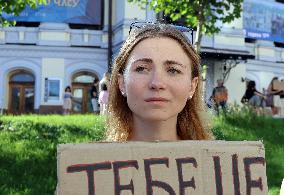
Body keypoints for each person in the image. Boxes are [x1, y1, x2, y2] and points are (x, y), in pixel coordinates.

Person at [106, 22, 212, 141]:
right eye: (141, 69)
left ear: (192, 86)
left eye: (173, 70)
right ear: (121, 83)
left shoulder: (215, 158)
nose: (157, 83)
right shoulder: (91, 158)